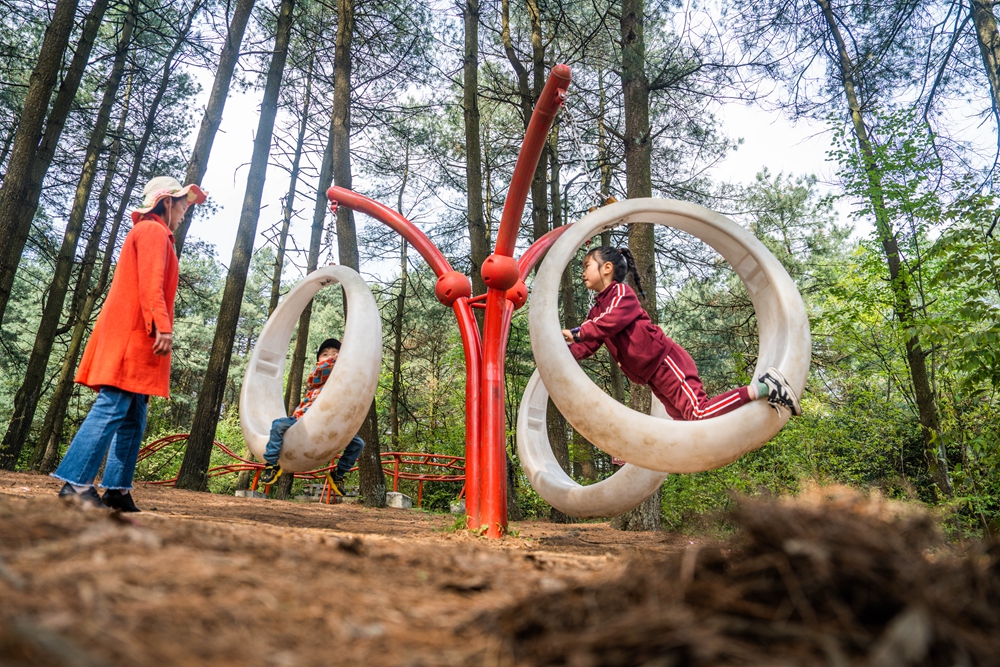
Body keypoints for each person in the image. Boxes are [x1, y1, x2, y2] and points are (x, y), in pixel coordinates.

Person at [53, 176, 208, 511]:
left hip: (138, 339)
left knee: (133, 415)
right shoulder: (153, 231)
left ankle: (117, 490)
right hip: (133, 339)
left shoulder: (156, 233)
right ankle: (76, 484)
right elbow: (151, 284)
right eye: (183, 205)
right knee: (112, 407)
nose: (185, 214)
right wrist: (163, 326)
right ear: (166, 203)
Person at [562, 246, 802, 421]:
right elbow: (588, 343)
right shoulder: (597, 310)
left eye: (586, 266)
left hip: (665, 363)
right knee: (687, 425)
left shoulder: (621, 294)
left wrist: (576, 332)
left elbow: (607, 323)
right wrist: (561, 351)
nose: (582, 272)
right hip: (652, 376)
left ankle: (765, 387)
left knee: (698, 412)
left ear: (606, 268)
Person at [258, 338, 365, 496]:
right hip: (303, 419)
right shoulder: (317, 377)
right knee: (279, 424)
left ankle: (338, 474)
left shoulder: (343, 384)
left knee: (358, 443)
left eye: (335, 353)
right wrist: (342, 353)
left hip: (329, 424)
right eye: (325, 354)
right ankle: (271, 464)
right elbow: (323, 368)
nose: (330, 356)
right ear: (318, 359)